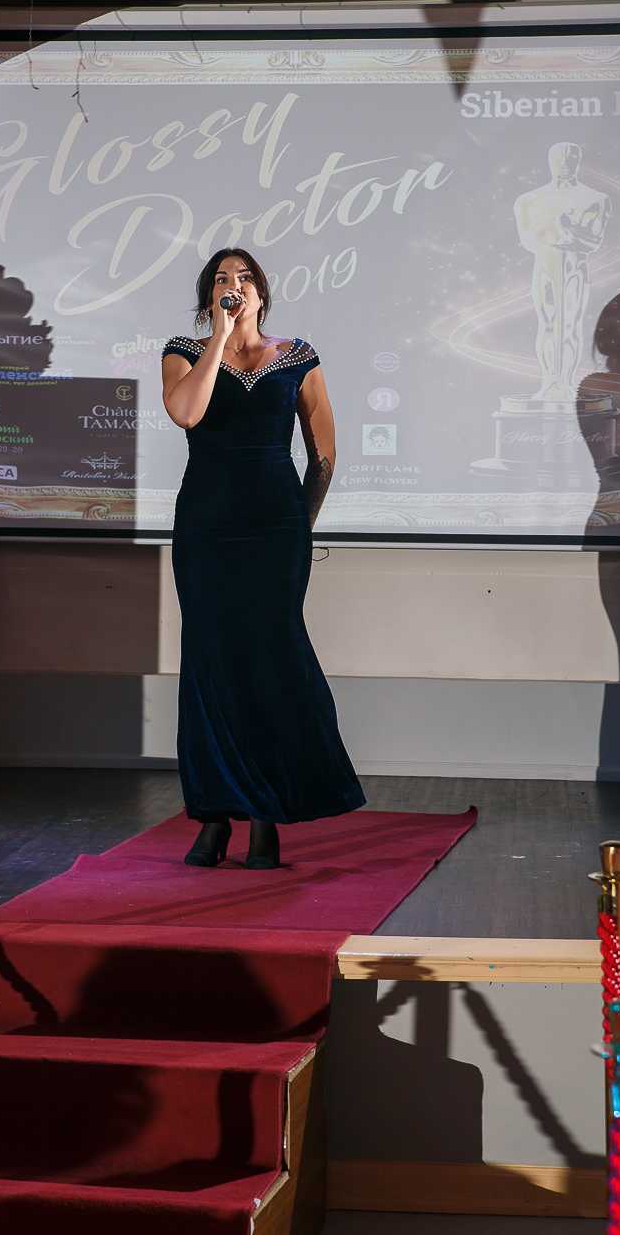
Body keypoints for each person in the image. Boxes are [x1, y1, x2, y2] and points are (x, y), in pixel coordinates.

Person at [161, 249, 365, 870]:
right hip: (207, 526)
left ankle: (267, 814)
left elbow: (324, 454)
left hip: (276, 527)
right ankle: (214, 815)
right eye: (222, 280)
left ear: (263, 292)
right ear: (209, 297)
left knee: (271, 661)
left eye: (245, 278)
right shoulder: (183, 352)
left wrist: (301, 525)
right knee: (210, 661)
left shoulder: (298, 357)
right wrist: (218, 340)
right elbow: (186, 413)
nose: (235, 286)